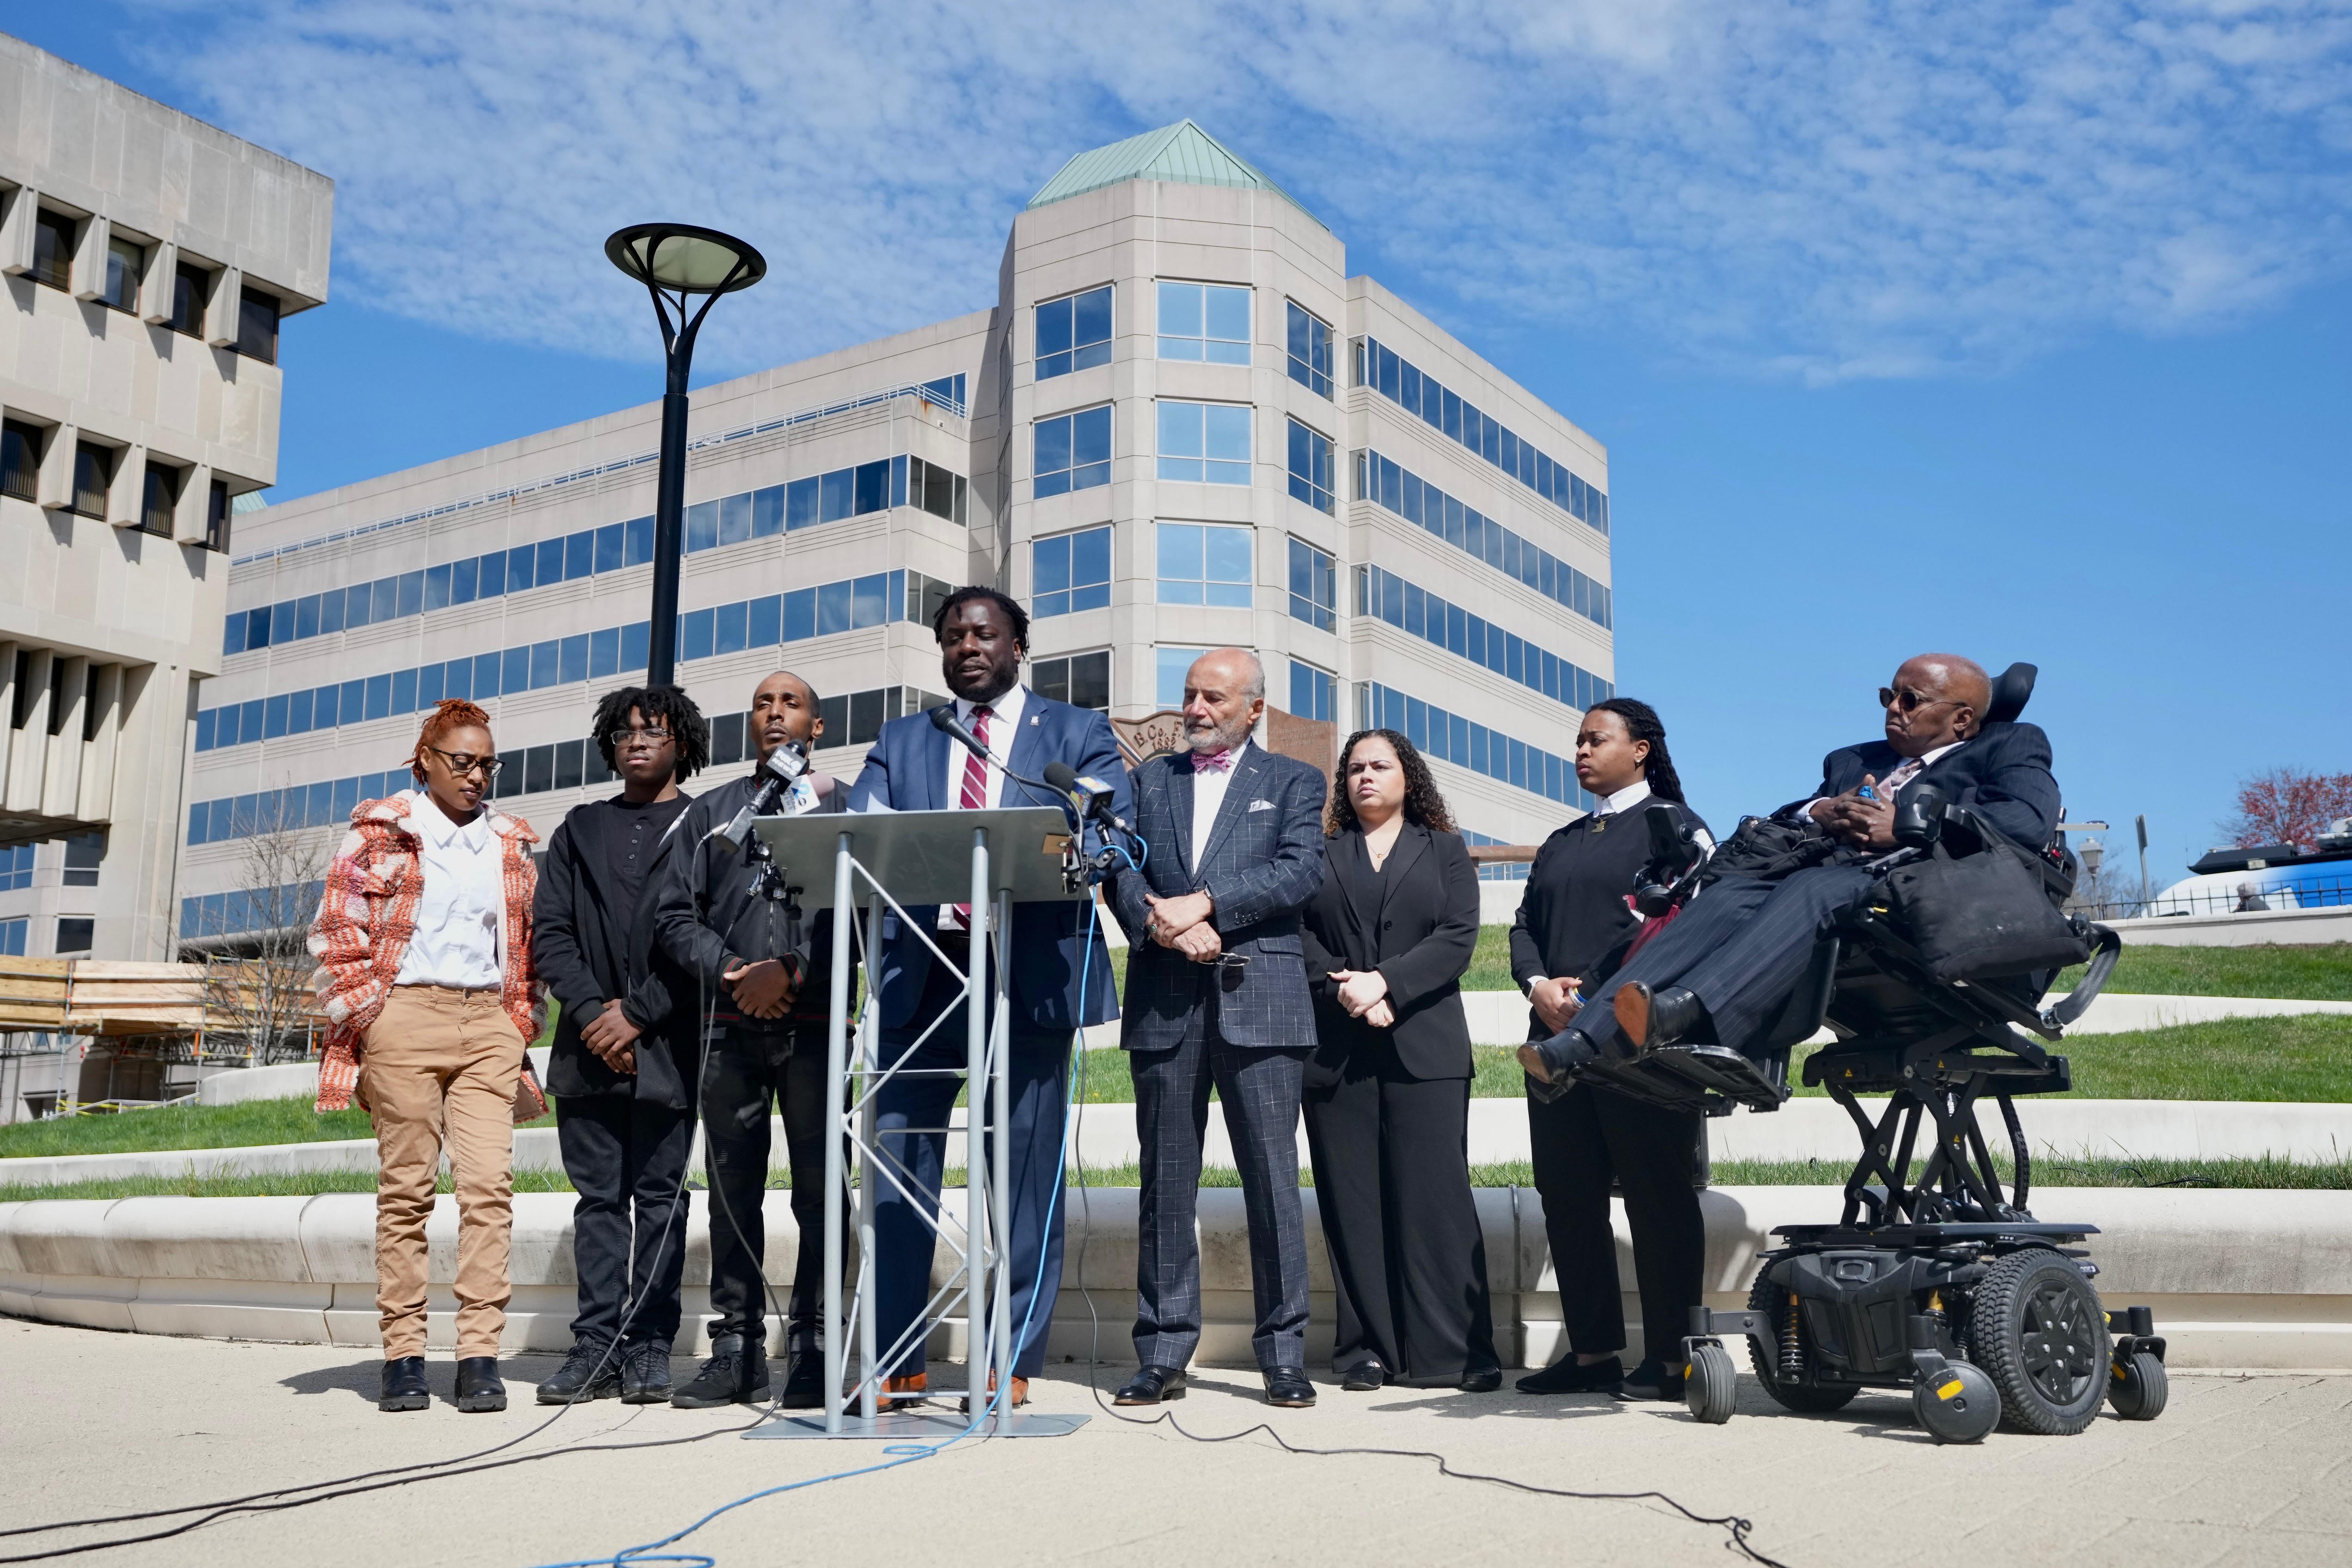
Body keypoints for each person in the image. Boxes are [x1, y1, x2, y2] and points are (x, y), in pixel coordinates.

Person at [1524, 652, 2060, 1119]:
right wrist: (1820, 809)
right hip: (1825, 877)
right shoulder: (1853, 760)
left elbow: (2027, 821)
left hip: (1918, 892)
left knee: (1811, 889)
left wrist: (1905, 823)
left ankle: (1683, 1011)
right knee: (1731, 894)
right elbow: (1788, 817)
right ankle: (1577, 1042)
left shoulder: (2010, 746)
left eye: (1910, 700)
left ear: (1963, 720)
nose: (1892, 709)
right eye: (1887, 696)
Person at [849, 586, 1128, 1410]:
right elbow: (861, 832)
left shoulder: (1074, 733)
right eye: (953, 637)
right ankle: (898, 1359)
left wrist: (1086, 835)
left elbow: (1108, 829)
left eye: (984, 633)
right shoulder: (905, 739)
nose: (968, 646)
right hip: (921, 978)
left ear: (1017, 646)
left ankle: (1012, 1361)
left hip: (1026, 975)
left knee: (1023, 1179)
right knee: (899, 1167)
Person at [310, 699, 546, 1415]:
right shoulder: (380, 833)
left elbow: (526, 940)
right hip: (405, 1017)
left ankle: (479, 1357)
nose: (477, 776)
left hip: (486, 1025)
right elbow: (335, 927)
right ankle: (404, 1357)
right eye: (462, 762)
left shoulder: (509, 840)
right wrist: (371, 1017)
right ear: (426, 762)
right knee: (407, 1192)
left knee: (488, 1191)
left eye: (487, 764)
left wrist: (519, 1020)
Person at [1110, 648, 1327, 1410]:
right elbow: (1120, 868)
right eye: (1190, 695)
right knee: (1165, 1186)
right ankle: (1163, 1351)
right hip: (1166, 1002)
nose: (1195, 710)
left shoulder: (1296, 782)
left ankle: (1283, 1354)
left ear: (1253, 708)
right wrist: (1163, 926)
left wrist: (1205, 905)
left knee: (1272, 1183)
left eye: (1213, 698)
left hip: (1260, 1002)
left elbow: (1301, 871)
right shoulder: (1146, 782)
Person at [650, 670, 848, 1410]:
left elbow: (866, 911)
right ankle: (735, 1348)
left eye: (791, 703)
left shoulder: (844, 806)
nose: (775, 713)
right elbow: (674, 919)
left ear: (816, 727)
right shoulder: (711, 814)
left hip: (819, 1026)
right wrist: (736, 972)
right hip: (729, 1032)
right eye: (763, 704)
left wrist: (794, 969)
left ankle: (816, 1343)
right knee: (733, 1191)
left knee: (821, 1190)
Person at [1508, 699, 1712, 1400]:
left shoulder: (1677, 829)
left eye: (1597, 740)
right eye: (1578, 741)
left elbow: (1678, 928)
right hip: (1554, 1042)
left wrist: (1590, 990)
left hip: (1638, 1042)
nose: (1582, 752)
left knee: (1659, 1197)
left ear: (1642, 750)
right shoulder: (1563, 839)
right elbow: (1523, 925)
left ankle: (1672, 1359)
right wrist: (1540, 986)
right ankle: (1592, 1351)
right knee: (1568, 1197)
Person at [1297, 727, 1498, 1392]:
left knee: (1436, 1199)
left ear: (1408, 776)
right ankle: (1366, 1351)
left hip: (1426, 1049)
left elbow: (1458, 938)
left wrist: (1385, 983)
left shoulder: (1444, 850)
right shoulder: (1320, 853)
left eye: (1380, 766)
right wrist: (1349, 990)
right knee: (1353, 1202)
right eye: (1354, 768)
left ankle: (1456, 1353)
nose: (1365, 778)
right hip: (1339, 1049)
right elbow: (1296, 934)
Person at [531, 685, 708, 1406]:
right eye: (625, 732)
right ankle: (596, 1345)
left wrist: (636, 1015)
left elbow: (705, 931)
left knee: (661, 1198)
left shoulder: (707, 824)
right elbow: (552, 934)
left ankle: (649, 1347)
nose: (637, 741)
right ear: (609, 744)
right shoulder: (579, 828)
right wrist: (595, 1015)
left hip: (671, 1043)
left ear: (682, 744)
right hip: (585, 1048)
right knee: (598, 1200)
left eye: (653, 731)